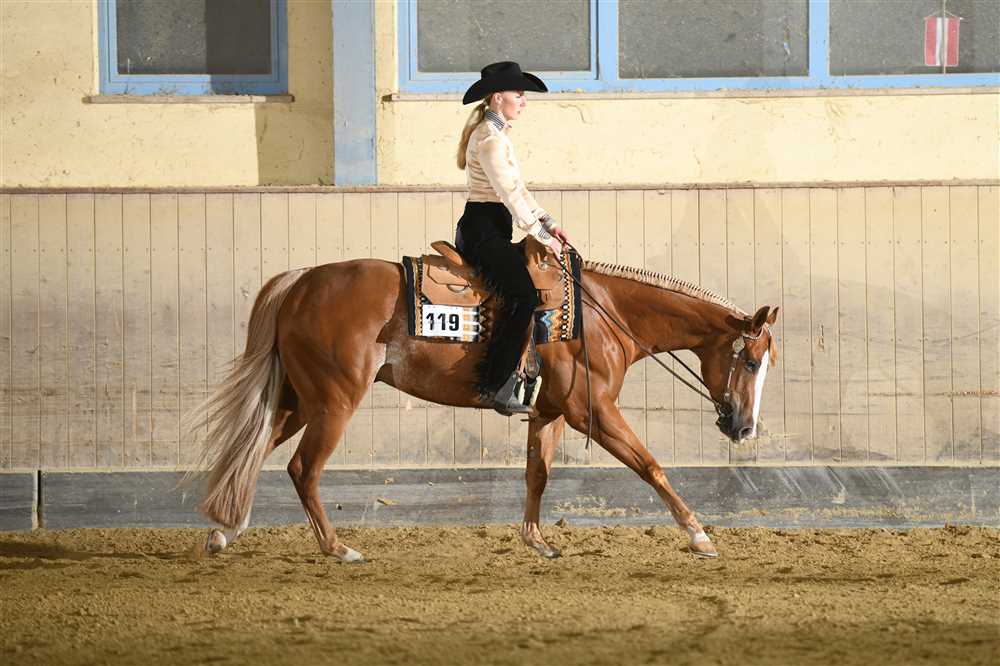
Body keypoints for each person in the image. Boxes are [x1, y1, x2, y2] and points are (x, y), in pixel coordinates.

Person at [455, 61, 570, 415]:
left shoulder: (496, 136)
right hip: (483, 231)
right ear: (497, 97)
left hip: (492, 227)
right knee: (523, 296)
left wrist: (548, 222)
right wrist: (541, 235)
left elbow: (520, 190)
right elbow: (509, 195)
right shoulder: (490, 141)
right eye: (518, 94)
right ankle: (495, 385)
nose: (523, 101)